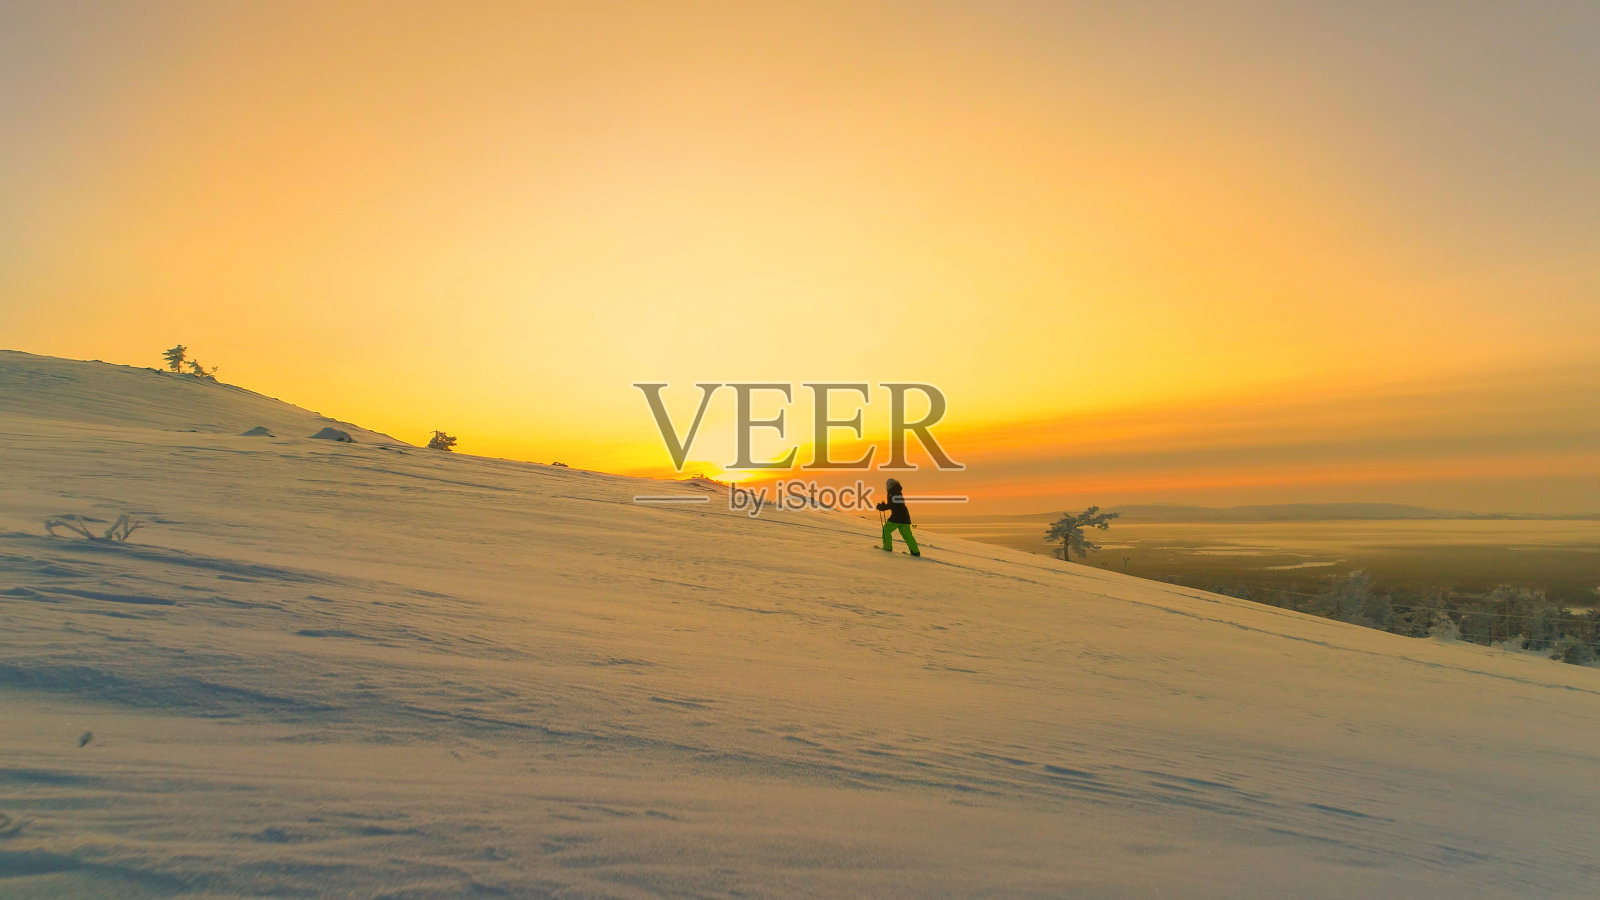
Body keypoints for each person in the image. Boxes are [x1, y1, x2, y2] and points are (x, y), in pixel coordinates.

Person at [876, 477, 920, 556]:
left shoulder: (892, 492)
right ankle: (915, 551)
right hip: (905, 517)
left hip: (896, 517)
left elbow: (892, 505)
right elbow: (895, 504)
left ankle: (887, 547)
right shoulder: (898, 491)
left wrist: (883, 507)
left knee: (886, 530)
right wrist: (885, 506)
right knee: (907, 535)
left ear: (889, 485)